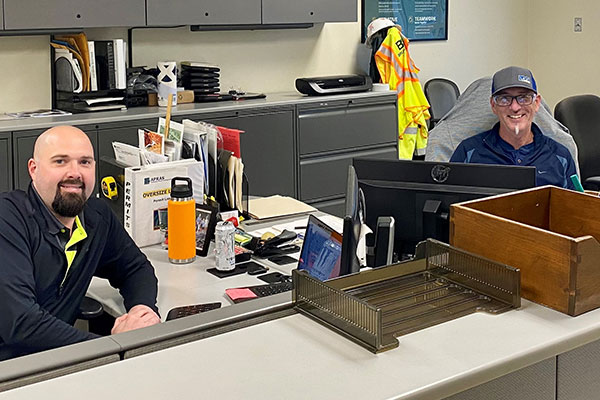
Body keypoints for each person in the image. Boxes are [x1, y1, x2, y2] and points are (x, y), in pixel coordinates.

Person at [0, 125, 160, 360]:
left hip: (59, 360)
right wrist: (112, 346)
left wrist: (142, 312)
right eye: (60, 161)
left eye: (85, 162)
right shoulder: (9, 219)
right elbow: (21, 323)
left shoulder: (96, 217)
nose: (74, 172)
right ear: (33, 170)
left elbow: (135, 268)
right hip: (13, 370)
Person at [450, 66, 577, 189]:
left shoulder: (560, 156)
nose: (515, 107)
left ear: (537, 103)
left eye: (523, 98)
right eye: (504, 99)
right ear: (493, 105)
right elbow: (449, 204)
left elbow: (576, 206)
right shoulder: (468, 152)